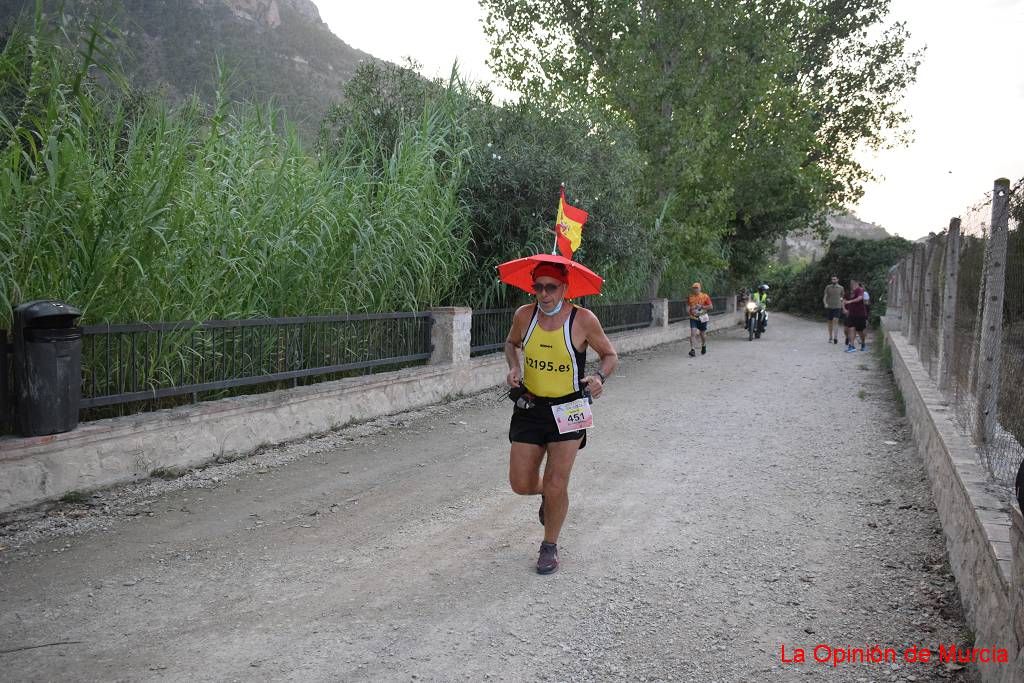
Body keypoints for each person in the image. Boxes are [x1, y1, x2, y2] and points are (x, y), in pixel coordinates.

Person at [504, 262, 618, 574]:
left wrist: (598, 378)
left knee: (557, 480)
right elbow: (511, 344)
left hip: (569, 408)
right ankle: (549, 497)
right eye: (537, 287)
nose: (543, 293)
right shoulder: (524, 316)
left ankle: (549, 545)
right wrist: (514, 367)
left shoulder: (583, 319)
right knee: (520, 483)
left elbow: (610, 356)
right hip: (530, 407)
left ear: (564, 289)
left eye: (550, 287)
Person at [687, 282, 714, 357]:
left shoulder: (705, 296)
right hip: (693, 318)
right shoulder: (690, 297)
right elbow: (688, 306)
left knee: (702, 334)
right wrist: (689, 311)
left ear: (700, 288)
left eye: (697, 288)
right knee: (693, 333)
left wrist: (701, 307)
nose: (695, 289)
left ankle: (704, 345)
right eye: (694, 288)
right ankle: (693, 350)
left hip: (702, 317)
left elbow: (711, 307)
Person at [843, 278, 869, 353]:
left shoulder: (860, 290)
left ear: (857, 283)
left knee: (860, 331)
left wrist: (850, 301)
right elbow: (844, 300)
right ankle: (852, 346)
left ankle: (863, 344)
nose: (852, 284)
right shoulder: (850, 292)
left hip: (860, 314)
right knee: (851, 328)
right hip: (852, 314)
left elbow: (860, 298)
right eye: (851, 283)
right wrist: (845, 308)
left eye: (853, 283)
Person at [822, 275, 845, 344]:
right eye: (832, 279)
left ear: (837, 280)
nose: (833, 281)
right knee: (830, 323)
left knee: (835, 321)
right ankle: (830, 337)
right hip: (829, 307)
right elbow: (825, 297)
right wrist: (825, 303)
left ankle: (835, 337)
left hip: (837, 307)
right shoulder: (828, 287)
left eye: (835, 279)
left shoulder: (841, 288)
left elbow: (842, 297)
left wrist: (842, 304)